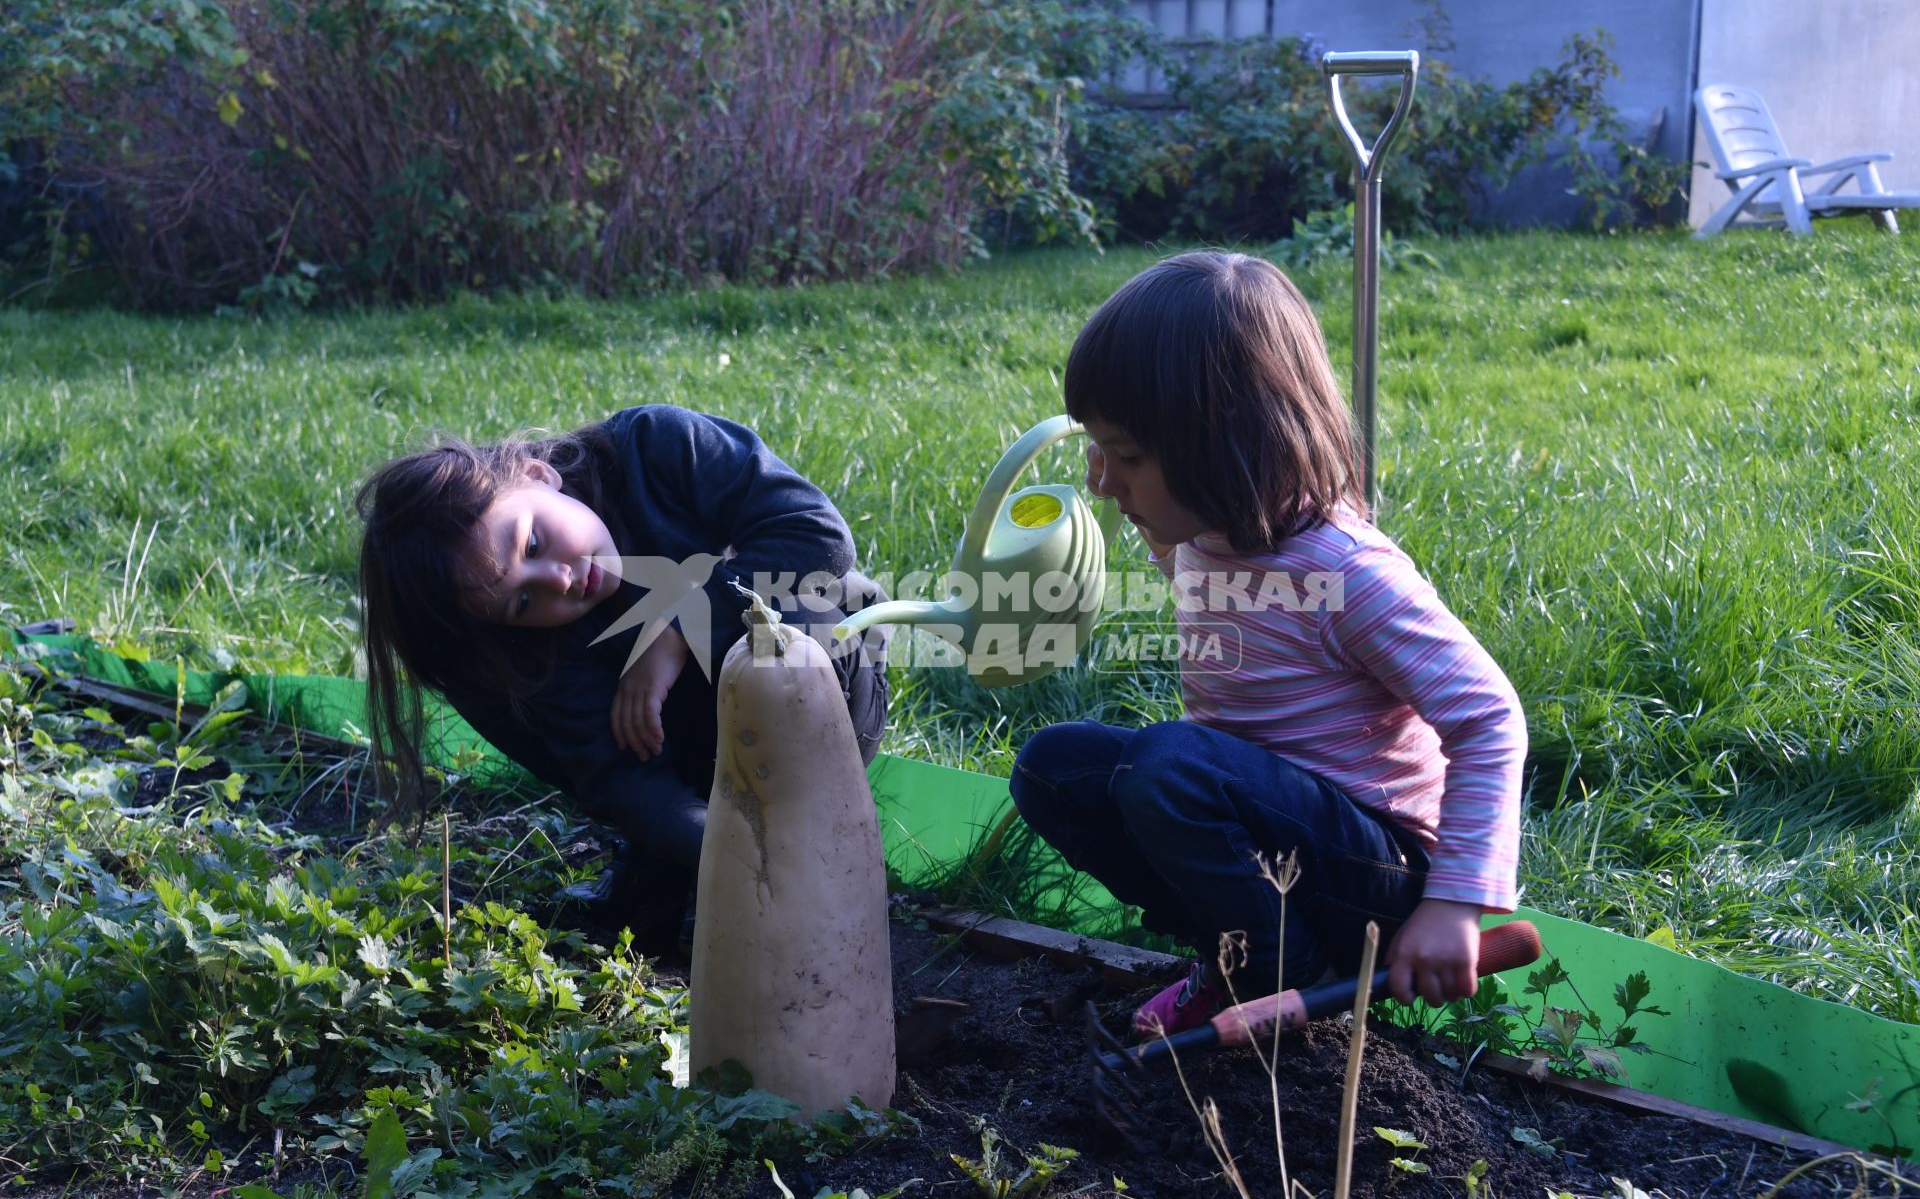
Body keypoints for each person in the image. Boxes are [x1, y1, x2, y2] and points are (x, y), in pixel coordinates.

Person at [1008, 252, 1526, 1038]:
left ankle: (1295, 984)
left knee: (1170, 768)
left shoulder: (1345, 571)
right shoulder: (1204, 532)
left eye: (1130, 457)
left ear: (1230, 446)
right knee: (1054, 768)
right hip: (1271, 840)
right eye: (1098, 449)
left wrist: (1455, 904)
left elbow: (1488, 717)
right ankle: (1235, 957)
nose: (1102, 483)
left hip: (1374, 871)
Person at [355, 404, 889, 952]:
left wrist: (678, 628)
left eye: (532, 544)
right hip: (693, 751)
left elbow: (817, 534)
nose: (558, 581)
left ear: (538, 475)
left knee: (787, 630)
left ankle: (809, 832)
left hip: (838, 665)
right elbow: (626, 780)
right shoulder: (534, 651)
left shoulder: (656, 446)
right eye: (521, 600)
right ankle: (684, 848)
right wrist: (733, 855)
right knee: (496, 681)